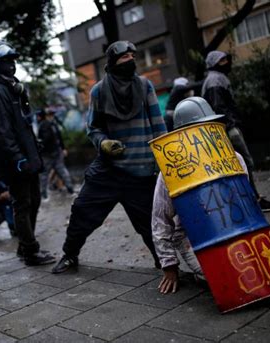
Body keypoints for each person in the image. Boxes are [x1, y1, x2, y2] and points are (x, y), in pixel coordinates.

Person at [52, 40, 166, 274]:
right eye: (125, 57)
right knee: (82, 210)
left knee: (151, 224)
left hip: (141, 172)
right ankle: (70, 255)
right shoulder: (99, 91)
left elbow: (159, 127)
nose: (131, 60)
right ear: (113, 62)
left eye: (133, 57)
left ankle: (164, 263)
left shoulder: (145, 86)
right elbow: (93, 128)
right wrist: (103, 143)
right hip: (108, 170)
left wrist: (164, 164)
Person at [152, 97, 249, 293]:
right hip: (192, 235)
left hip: (234, 228)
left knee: (248, 274)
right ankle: (200, 273)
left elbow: (247, 201)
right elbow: (160, 219)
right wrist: (169, 266)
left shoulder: (234, 157)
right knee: (221, 277)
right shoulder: (170, 171)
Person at [0, 40, 55, 266]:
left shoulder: (13, 89)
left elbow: (22, 125)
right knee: (23, 204)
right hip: (17, 162)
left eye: (13, 60)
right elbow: (2, 132)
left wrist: (34, 148)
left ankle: (25, 245)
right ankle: (30, 251)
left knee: (34, 200)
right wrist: (18, 158)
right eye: (5, 61)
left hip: (28, 157)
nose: (11, 65)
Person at [202, 51, 270, 212]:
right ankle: (254, 200)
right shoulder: (215, 79)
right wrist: (232, 124)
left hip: (224, 128)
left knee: (237, 165)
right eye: (221, 60)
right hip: (228, 129)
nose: (226, 62)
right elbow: (219, 107)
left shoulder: (214, 78)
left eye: (225, 59)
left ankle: (248, 200)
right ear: (214, 63)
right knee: (244, 163)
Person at [36, 109, 74, 200]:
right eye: (50, 114)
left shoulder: (45, 125)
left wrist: (39, 148)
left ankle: (45, 194)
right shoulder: (51, 124)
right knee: (61, 171)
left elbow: (48, 139)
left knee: (45, 174)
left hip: (49, 154)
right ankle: (70, 190)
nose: (52, 116)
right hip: (56, 152)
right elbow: (58, 137)